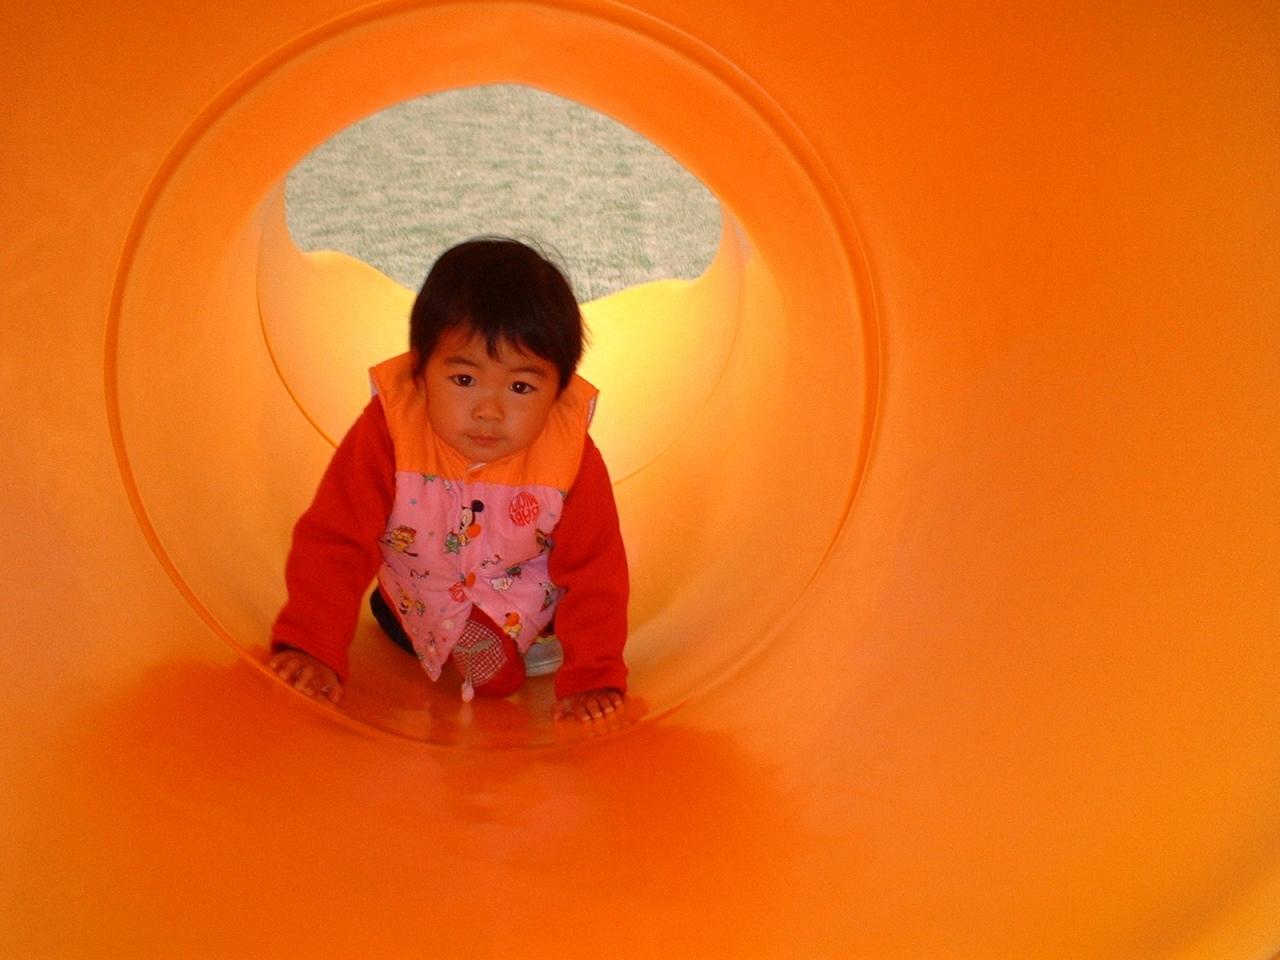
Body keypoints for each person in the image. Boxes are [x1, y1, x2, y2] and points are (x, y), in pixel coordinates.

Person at [268, 238, 628, 724]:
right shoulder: (391, 430)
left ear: (558, 389)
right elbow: (338, 537)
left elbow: (596, 566)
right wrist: (312, 646)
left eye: (521, 387)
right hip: (422, 580)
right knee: (479, 664)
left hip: (518, 581)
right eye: (463, 380)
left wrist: (593, 676)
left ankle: (525, 633)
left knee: (529, 642)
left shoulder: (569, 451)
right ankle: (404, 616)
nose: (488, 411)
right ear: (420, 370)